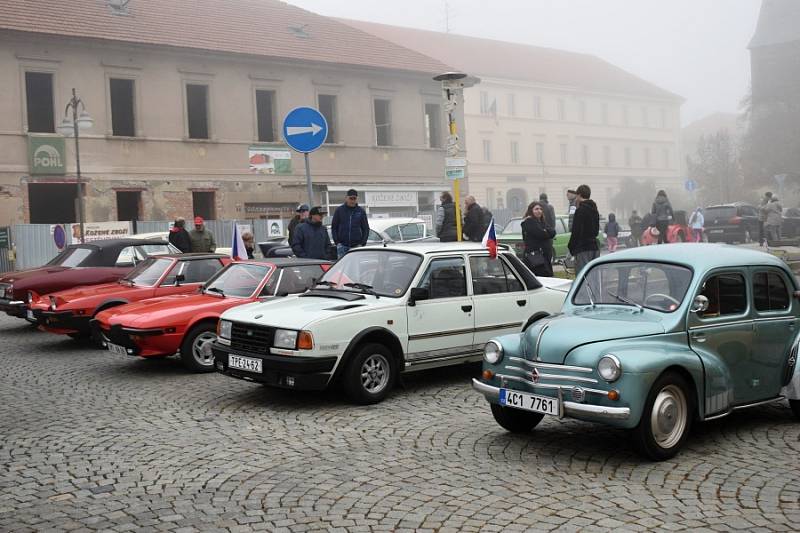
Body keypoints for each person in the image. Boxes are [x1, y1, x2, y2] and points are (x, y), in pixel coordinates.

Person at [567, 184, 599, 275]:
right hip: (594, 247)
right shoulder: (594, 209)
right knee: (593, 275)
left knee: (583, 277)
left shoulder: (580, 210)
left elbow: (576, 231)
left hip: (583, 248)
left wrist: (571, 247)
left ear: (579, 195)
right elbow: (596, 230)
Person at [331, 189, 369, 259]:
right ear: (346, 198)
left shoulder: (361, 211)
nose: (352, 200)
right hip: (342, 246)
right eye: (351, 198)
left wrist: (362, 243)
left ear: (357, 199)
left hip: (356, 247)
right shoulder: (339, 210)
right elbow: (334, 227)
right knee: (342, 268)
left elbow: (366, 228)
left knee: (356, 268)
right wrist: (337, 242)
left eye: (354, 198)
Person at [521, 201, 555, 277]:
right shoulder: (529, 222)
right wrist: (546, 232)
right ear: (531, 211)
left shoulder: (542, 222)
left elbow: (553, 232)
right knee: (542, 278)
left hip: (545, 257)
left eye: (540, 209)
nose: (539, 211)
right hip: (535, 258)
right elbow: (541, 234)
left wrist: (546, 232)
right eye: (536, 209)